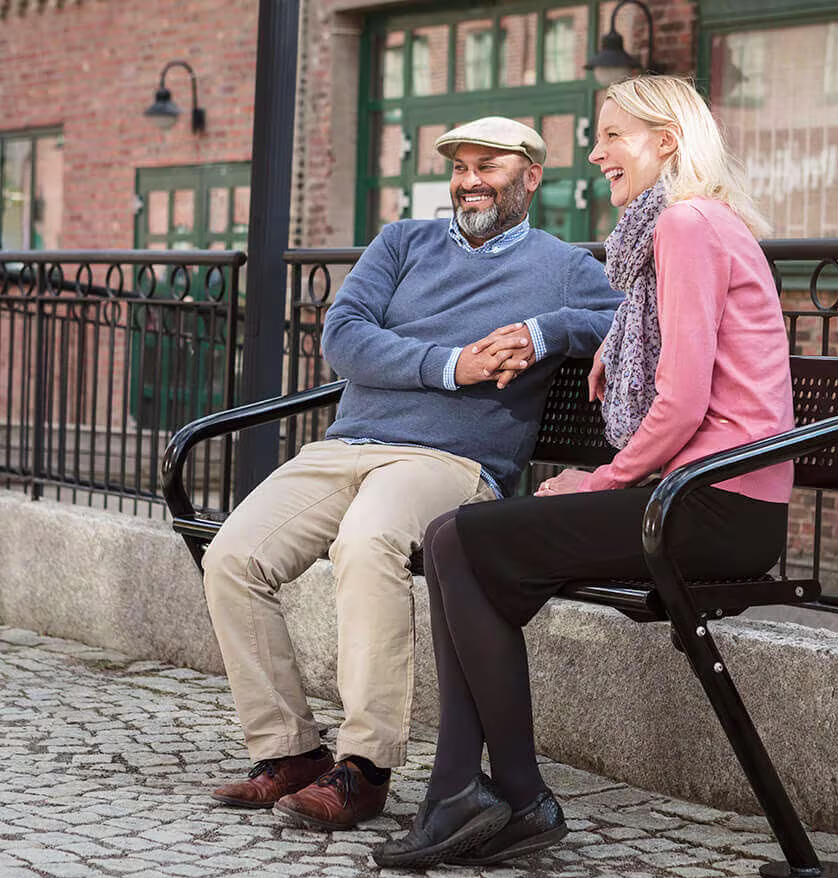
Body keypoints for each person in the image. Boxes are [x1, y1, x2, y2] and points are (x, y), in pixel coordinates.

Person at [373, 75, 794, 869]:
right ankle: (464, 792)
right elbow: (679, 349)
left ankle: (507, 796)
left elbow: (681, 402)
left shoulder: (687, 225)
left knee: (457, 540)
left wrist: (601, 481)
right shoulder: (682, 229)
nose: (596, 153)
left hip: (709, 506)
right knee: (457, 548)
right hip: (706, 494)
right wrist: (612, 340)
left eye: (613, 136)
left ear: (666, 141)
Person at [201, 116, 621, 831]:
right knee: (233, 556)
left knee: (367, 545)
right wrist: (449, 365)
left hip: (452, 462)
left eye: (487, 166)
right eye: (460, 168)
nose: (469, 182)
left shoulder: (562, 265)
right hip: (347, 447)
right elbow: (345, 336)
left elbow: (623, 319)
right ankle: (291, 750)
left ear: (531, 175)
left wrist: (543, 331)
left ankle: (364, 768)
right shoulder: (402, 242)